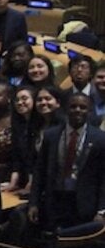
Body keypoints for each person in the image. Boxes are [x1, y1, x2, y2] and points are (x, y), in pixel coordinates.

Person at [30, 91, 105, 231]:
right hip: (55, 200)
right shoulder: (51, 135)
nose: (78, 110)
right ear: (65, 109)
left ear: (89, 111)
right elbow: (39, 171)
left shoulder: (100, 139)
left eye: (82, 107)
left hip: (85, 205)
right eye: (73, 106)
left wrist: (102, 211)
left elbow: (103, 178)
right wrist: (33, 203)